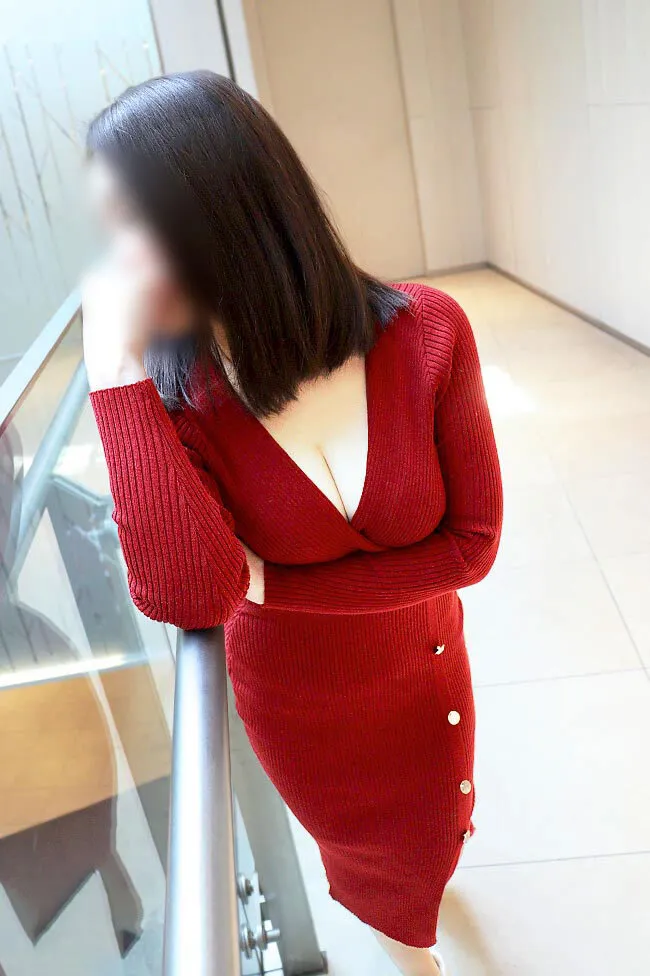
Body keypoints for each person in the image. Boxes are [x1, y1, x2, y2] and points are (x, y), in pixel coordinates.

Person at [83, 71, 503, 976]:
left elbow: (472, 548)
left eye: (135, 226)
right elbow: (192, 594)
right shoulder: (179, 398)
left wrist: (272, 583)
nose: (121, 267)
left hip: (428, 668)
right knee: (375, 875)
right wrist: (114, 377)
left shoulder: (429, 332)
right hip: (305, 712)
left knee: (437, 827)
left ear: (224, 211)